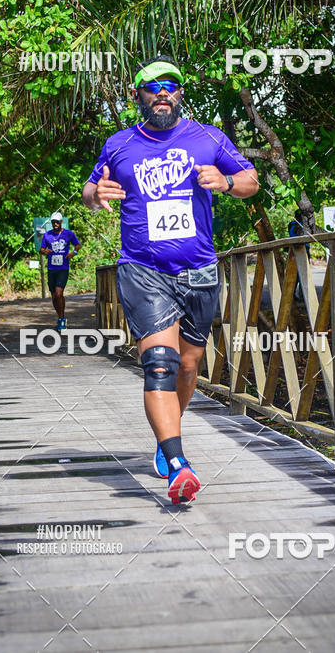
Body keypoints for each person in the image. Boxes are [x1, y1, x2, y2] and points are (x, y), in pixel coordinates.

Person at [82, 56, 259, 503]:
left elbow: (251, 180)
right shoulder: (119, 144)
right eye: (151, 85)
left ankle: (166, 438)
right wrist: (95, 194)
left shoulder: (208, 137)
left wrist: (225, 181)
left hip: (199, 270)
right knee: (159, 362)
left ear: (180, 94)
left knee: (187, 365)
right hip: (143, 269)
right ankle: (178, 462)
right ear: (139, 96)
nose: (162, 91)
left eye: (171, 85)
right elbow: (90, 189)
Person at [40, 212, 81, 331]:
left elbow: (78, 245)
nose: (55, 224)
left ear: (61, 222)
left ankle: (62, 320)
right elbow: (41, 249)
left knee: (59, 293)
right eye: (53, 222)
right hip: (52, 269)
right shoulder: (47, 235)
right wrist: (44, 251)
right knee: (54, 296)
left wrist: (74, 253)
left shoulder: (68, 234)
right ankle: (60, 317)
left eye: (57, 222)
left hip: (63, 268)